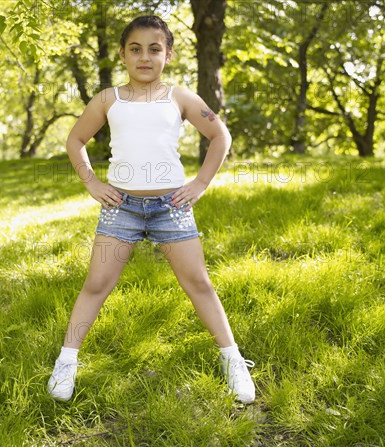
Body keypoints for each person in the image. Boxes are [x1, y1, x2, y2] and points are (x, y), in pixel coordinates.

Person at [47, 15, 256, 404]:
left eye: (154, 49)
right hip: (121, 207)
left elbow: (219, 135)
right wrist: (92, 182)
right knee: (96, 284)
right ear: (124, 55)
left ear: (168, 54)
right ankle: (67, 361)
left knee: (198, 284)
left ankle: (233, 361)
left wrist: (200, 183)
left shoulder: (181, 98)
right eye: (136, 49)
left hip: (170, 207)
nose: (145, 57)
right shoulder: (108, 99)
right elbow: (75, 140)